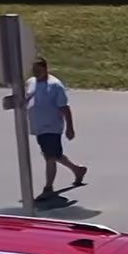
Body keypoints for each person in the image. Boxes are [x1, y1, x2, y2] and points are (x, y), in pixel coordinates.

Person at [26, 57, 87, 201]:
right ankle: (77, 170)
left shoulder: (55, 86)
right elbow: (26, 98)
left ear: (45, 68)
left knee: (50, 157)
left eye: (38, 70)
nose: (35, 73)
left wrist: (70, 128)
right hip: (38, 126)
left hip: (52, 126)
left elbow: (65, 108)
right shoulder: (31, 82)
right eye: (33, 70)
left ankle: (48, 188)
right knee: (53, 154)